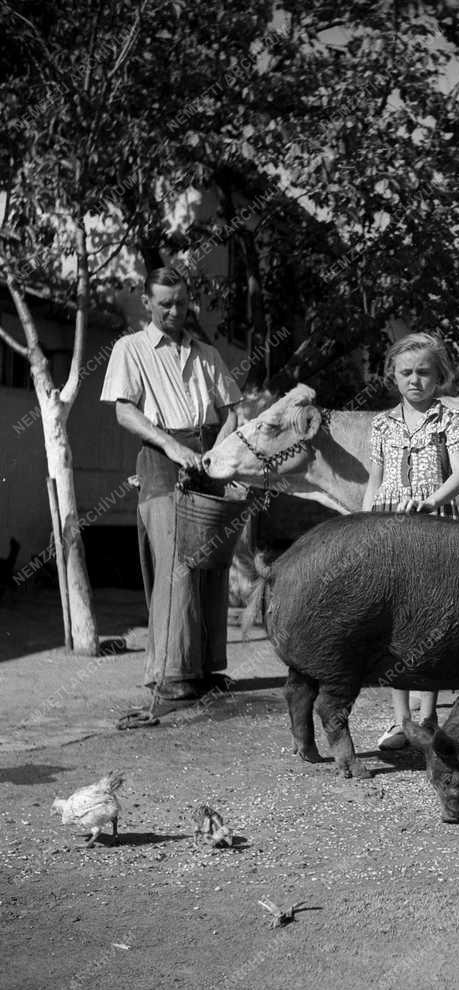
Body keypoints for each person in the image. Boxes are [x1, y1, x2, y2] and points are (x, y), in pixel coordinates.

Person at [101, 267, 242, 703]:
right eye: (165, 303)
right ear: (146, 302)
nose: (174, 310)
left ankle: (204, 668)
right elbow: (126, 412)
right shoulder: (131, 349)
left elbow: (232, 410)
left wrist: (215, 455)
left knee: (210, 567)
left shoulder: (205, 353)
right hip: (162, 460)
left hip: (209, 459)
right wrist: (174, 448)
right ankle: (169, 672)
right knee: (177, 565)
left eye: (181, 302)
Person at [362, 332, 459, 751]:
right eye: (405, 372)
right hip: (390, 524)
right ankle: (400, 721)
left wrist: (431, 501)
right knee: (395, 619)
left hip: (434, 523)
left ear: (439, 376)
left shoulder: (449, 420)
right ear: (392, 375)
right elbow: (375, 479)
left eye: (424, 372)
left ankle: (429, 717)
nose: (415, 380)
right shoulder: (381, 424)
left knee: (431, 618)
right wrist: (364, 523)